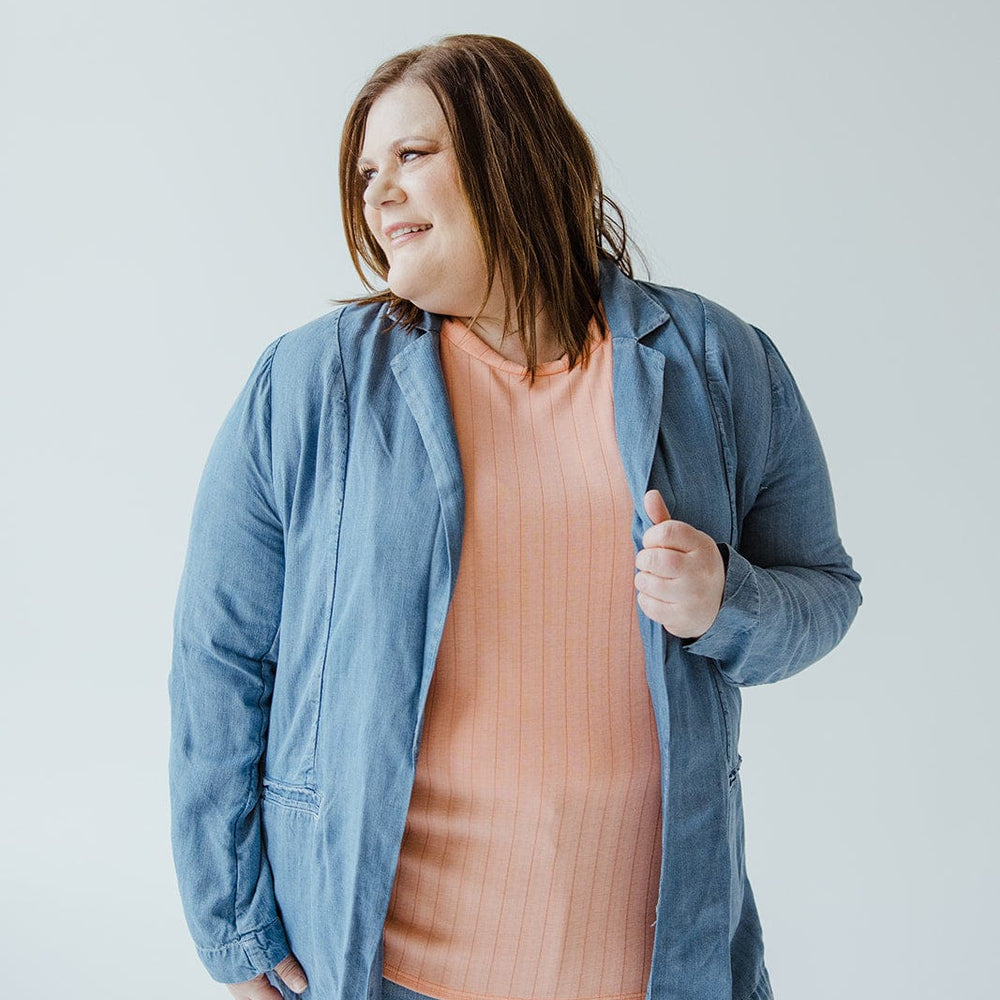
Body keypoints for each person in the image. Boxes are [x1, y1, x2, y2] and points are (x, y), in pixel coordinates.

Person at [168, 33, 862, 1000]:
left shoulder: (716, 360)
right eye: (366, 172)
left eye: (412, 155)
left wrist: (723, 600)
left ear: (514, 152)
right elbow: (220, 658)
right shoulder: (308, 384)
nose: (376, 193)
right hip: (382, 968)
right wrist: (234, 929)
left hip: (654, 972)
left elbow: (825, 592)